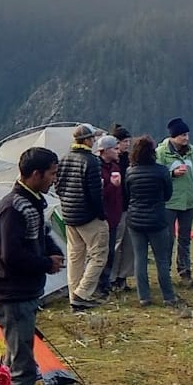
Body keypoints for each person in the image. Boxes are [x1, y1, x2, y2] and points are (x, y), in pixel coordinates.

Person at [0, 147, 64, 385]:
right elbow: (12, 255)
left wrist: (53, 253)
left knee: (12, 362)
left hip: (22, 294)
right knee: (22, 367)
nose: (54, 179)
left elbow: (40, 235)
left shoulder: (32, 202)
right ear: (36, 174)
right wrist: (46, 263)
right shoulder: (14, 207)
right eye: (52, 174)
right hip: (13, 296)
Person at [123, 136, 179, 307]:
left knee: (140, 258)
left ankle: (144, 296)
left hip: (135, 220)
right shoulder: (161, 171)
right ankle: (168, 296)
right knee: (161, 259)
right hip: (157, 220)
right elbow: (168, 195)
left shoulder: (130, 172)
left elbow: (127, 196)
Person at [56, 125, 106, 310]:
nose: (93, 141)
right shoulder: (91, 161)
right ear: (86, 140)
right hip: (88, 216)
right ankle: (82, 293)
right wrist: (101, 214)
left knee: (75, 257)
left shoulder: (64, 159)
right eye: (92, 138)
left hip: (69, 215)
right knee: (98, 255)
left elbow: (58, 186)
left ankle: (73, 295)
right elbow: (95, 192)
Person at [155, 119, 193, 287]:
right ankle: (165, 272)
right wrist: (172, 173)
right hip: (169, 202)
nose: (186, 138)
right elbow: (157, 174)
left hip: (188, 202)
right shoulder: (162, 152)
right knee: (167, 239)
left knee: (185, 238)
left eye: (187, 135)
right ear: (174, 136)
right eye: (183, 135)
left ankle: (185, 271)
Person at [95, 134, 128, 296]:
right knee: (100, 251)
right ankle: (98, 283)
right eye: (114, 149)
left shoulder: (115, 167)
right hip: (102, 216)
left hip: (115, 215)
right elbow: (98, 194)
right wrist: (112, 187)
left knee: (111, 251)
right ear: (105, 151)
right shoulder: (97, 168)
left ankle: (106, 281)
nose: (118, 151)